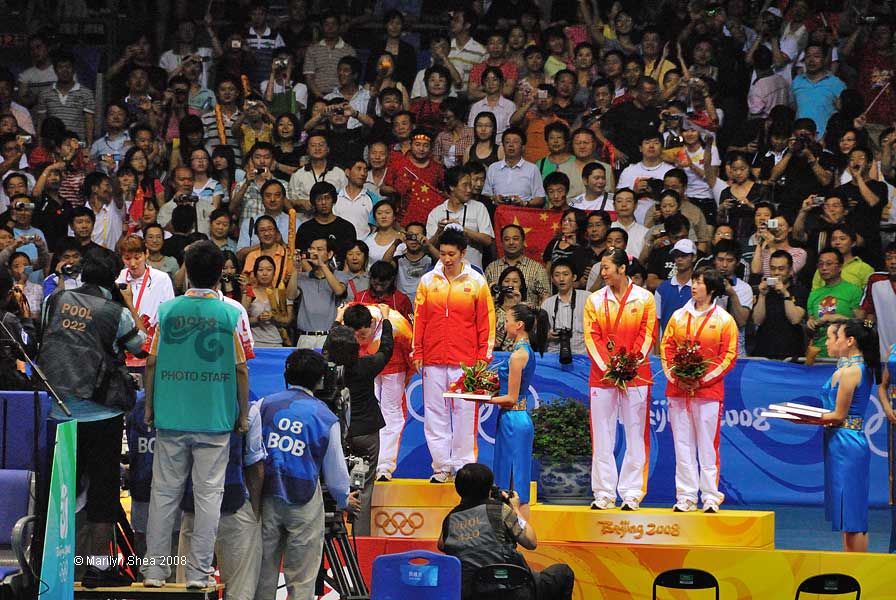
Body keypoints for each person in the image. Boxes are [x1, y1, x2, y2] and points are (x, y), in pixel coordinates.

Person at [141, 241, 249, 588]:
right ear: (220, 274)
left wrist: (149, 406)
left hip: (171, 416)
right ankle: (199, 575)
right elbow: (242, 368)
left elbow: (151, 362)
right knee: (208, 497)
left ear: (185, 270)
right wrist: (243, 414)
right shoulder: (231, 314)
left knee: (164, 495)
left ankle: (155, 571)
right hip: (215, 419)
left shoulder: (167, 311)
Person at [39, 252, 146, 582]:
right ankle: (98, 568)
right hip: (102, 415)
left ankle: (55, 566)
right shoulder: (115, 313)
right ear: (113, 280)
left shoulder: (54, 301)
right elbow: (140, 346)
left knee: (62, 493)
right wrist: (127, 303)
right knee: (103, 492)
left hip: (59, 413)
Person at [254, 349, 361, 599]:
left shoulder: (263, 405)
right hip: (303, 502)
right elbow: (335, 471)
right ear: (321, 380)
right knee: (301, 580)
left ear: (286, 375)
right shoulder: (325, 417)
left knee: (262, 574)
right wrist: (344, 499)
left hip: (265, 498)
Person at [413, 228, 495, 483]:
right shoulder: (428, 281)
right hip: (433, 358)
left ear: (463, 253)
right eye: (443, 254)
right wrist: (418, 351)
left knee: (464, 414)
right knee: (434, 414)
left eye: (452, 254)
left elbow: (486, 322)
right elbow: (419, 319)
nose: (446, 259)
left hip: (466, 361)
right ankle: (441, 466)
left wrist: (483, 357)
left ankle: (464, 467)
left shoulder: (477, 282)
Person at [583, 249, 657, 511]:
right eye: (601, 268)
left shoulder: (645, 299)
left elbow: (648, 335)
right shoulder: (594, 300)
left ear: (622, 268)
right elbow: (591, 337)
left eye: (606, 268)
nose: (602, 273)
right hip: (602, 376)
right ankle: (604, 493)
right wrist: (610, 368)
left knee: (636, 434)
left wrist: (628, 365)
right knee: (602, 435)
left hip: (636, 375)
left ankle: (632, 492)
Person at [660, 267, 738, 514]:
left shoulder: (724, 320)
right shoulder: (678, 317)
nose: (694, 286)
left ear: (711, 289)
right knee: (682, 444)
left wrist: (701, 380)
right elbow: (666, 348)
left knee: (707, 445)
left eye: (700, 282)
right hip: (678, 390)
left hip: (708, 392)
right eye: (693, 281)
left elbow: (729, 355)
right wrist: (677, 377)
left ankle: (711, 497)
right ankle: (686, 496)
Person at [438, 463, 574, 600]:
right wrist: (515, 509)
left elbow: (442, 545)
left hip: (471, 594)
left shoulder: (450, 519)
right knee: (563, 572)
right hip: (512, 591)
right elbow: (531, 542)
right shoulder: (500, 510)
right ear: (488, 488)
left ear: (458, 489)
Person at [818, 321, 881, 552]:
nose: (830, 342)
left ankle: (858, 567)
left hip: (847, 442)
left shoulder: (853, 371)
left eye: (835, 337)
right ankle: (850, 563)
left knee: (853, 515)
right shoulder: (851, 368)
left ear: (850, 341)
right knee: (847, 514)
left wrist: (804, 418)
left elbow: (838, 415)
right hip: (840, 441)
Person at [489, 303, 548, 517]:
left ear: (519, 324)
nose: (504, 325)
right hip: (513, 418)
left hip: (513, 420)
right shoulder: (524, 351)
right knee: (514, 481)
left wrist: (481, 399)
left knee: (516, 485)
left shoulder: (518, 355)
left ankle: (521, 530)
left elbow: (511, 398)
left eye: (507, 321)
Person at [426, 165, 494, 270]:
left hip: (472, 273)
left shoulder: (479, 208)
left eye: (470, 185)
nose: (469, 190)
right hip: (446, 273)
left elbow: (488, 240)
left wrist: (462, 229)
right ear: (452, 187)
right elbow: (429, 247)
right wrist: (439, 231)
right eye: (465, 185)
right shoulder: (436, 213)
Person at [287, 236, 349, 349]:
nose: (314, 253)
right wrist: (295, 269)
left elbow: (339, 291)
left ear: (330, 254)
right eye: (312, 249)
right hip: (305, 337)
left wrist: (322, 265)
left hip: (330, 336)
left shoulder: (340, 275)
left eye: (319, 249)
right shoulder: (303, 277)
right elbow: (290, 296)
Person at [115, 235, 175, 344]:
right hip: (126, 339)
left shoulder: (162, 279)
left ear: (146, 253)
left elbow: (169, 315)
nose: (133, 264)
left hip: (154, 340)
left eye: (137, 257)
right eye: (127, 258)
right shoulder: (119, 279)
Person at [807, 248, 864, 360]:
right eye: (820, 264)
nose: (824, 268)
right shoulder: (814, 294)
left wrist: (839, 318)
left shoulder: (854, 290)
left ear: (840, 267)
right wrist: (810, 324)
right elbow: (810, 332)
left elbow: (864, 326)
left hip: (846, 356)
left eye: (829, 264)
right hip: (819, 355)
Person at [752, 250, 809, 360]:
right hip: (764, 351)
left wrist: (785, 294)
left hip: (791, 352)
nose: (776, 272)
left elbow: (795, 319)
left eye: (781, 269)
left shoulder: (799, 290)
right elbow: (757, 320)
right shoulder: (765, 290)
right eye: (773, 268)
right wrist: (762, 295)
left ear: (790, 270)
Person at [542, 259, 588, 356]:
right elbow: (539, 334)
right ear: (552, 279)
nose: (561, 279)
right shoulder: (547, 304)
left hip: (582, 356)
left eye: (565, 274)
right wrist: (547, 335)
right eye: (557, 275)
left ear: (574, 277)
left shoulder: (587, 298)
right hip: (554, 355)